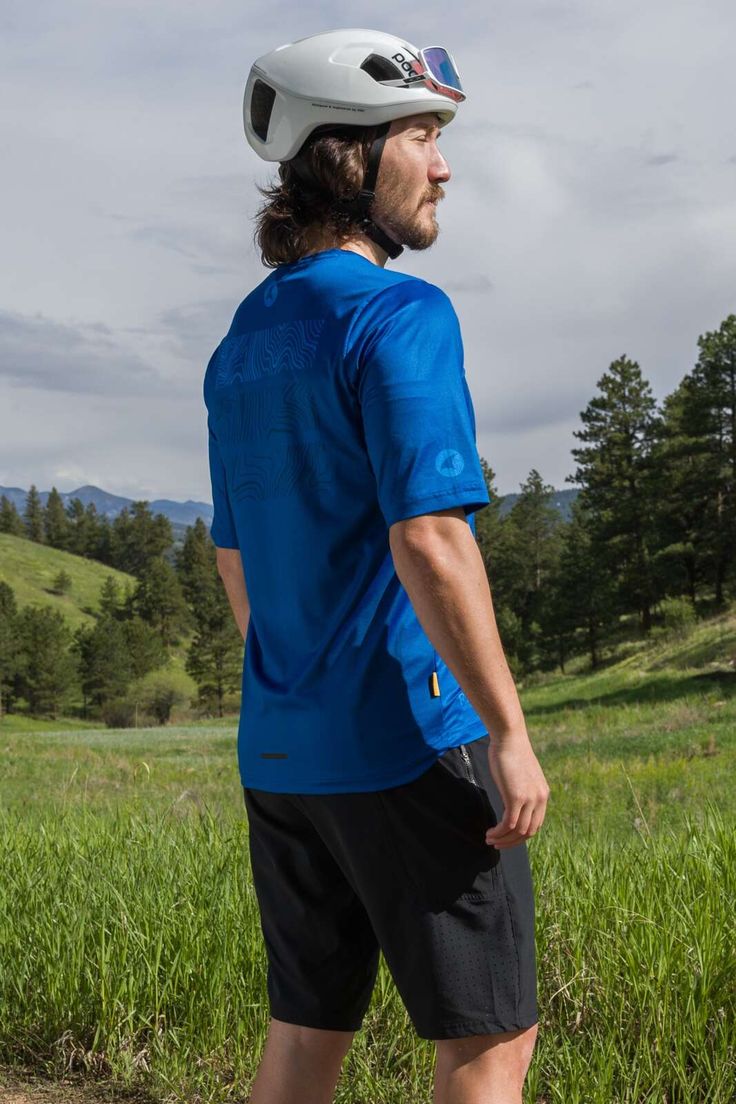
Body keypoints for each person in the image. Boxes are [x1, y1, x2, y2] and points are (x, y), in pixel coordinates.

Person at [203, 28, 550, 1104]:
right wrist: (507, 731)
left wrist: (299, 685)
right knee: (489, 1041)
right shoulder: (401, 314)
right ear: (343, 156)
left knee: (306, 1036)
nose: (444, 164)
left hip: (283, 754)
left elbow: (233, 553)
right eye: (420, 134)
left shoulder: (241, 340)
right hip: (408, 744)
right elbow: (430, 537)